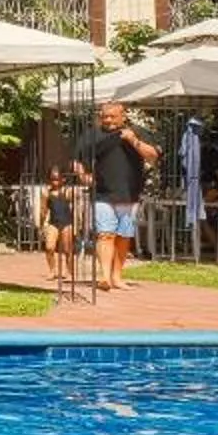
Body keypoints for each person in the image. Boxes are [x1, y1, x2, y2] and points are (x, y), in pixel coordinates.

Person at [76, 99, 158, 292]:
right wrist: (83, 175)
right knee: (105, 234)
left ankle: (117, 277)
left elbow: (153, 156)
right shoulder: (92, 135)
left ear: (123, 116)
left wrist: (132, 140)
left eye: (113, 116)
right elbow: (78, 159)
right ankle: (104, 276)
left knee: (123, 236)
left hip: (128, 194)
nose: (108, 120)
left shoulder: (137, 132)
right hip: (102, 193)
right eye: (105, 116)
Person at [38, 163, 82, 284]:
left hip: (67, 223)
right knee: (49, 247)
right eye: (52, 179)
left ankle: (69, 271)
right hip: (53, 223)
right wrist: (41, 225)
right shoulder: (46, 193)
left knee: (68, 249)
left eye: (57, 179)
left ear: (63, 179)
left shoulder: (67, 191)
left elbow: (77, 206)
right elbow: (43, 210)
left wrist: (77, 225)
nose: (55, 182)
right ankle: (52, 270)